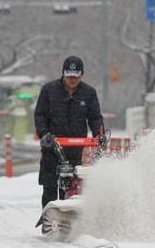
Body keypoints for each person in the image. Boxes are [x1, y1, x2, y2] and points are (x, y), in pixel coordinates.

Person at [34, 55, 105, 208]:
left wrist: (99, 135)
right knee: (50, 186)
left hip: (75, 148)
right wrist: (44, 134)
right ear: (63, 74)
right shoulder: (49, 90)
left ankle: (68, 217)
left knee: (72, 186)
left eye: (76, 77)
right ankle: (50, 218)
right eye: (69, 76)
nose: (72, 80)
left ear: (81, 75)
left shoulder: (89, 93)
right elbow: (40, 115)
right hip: (52, 147)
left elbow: (95, 117)